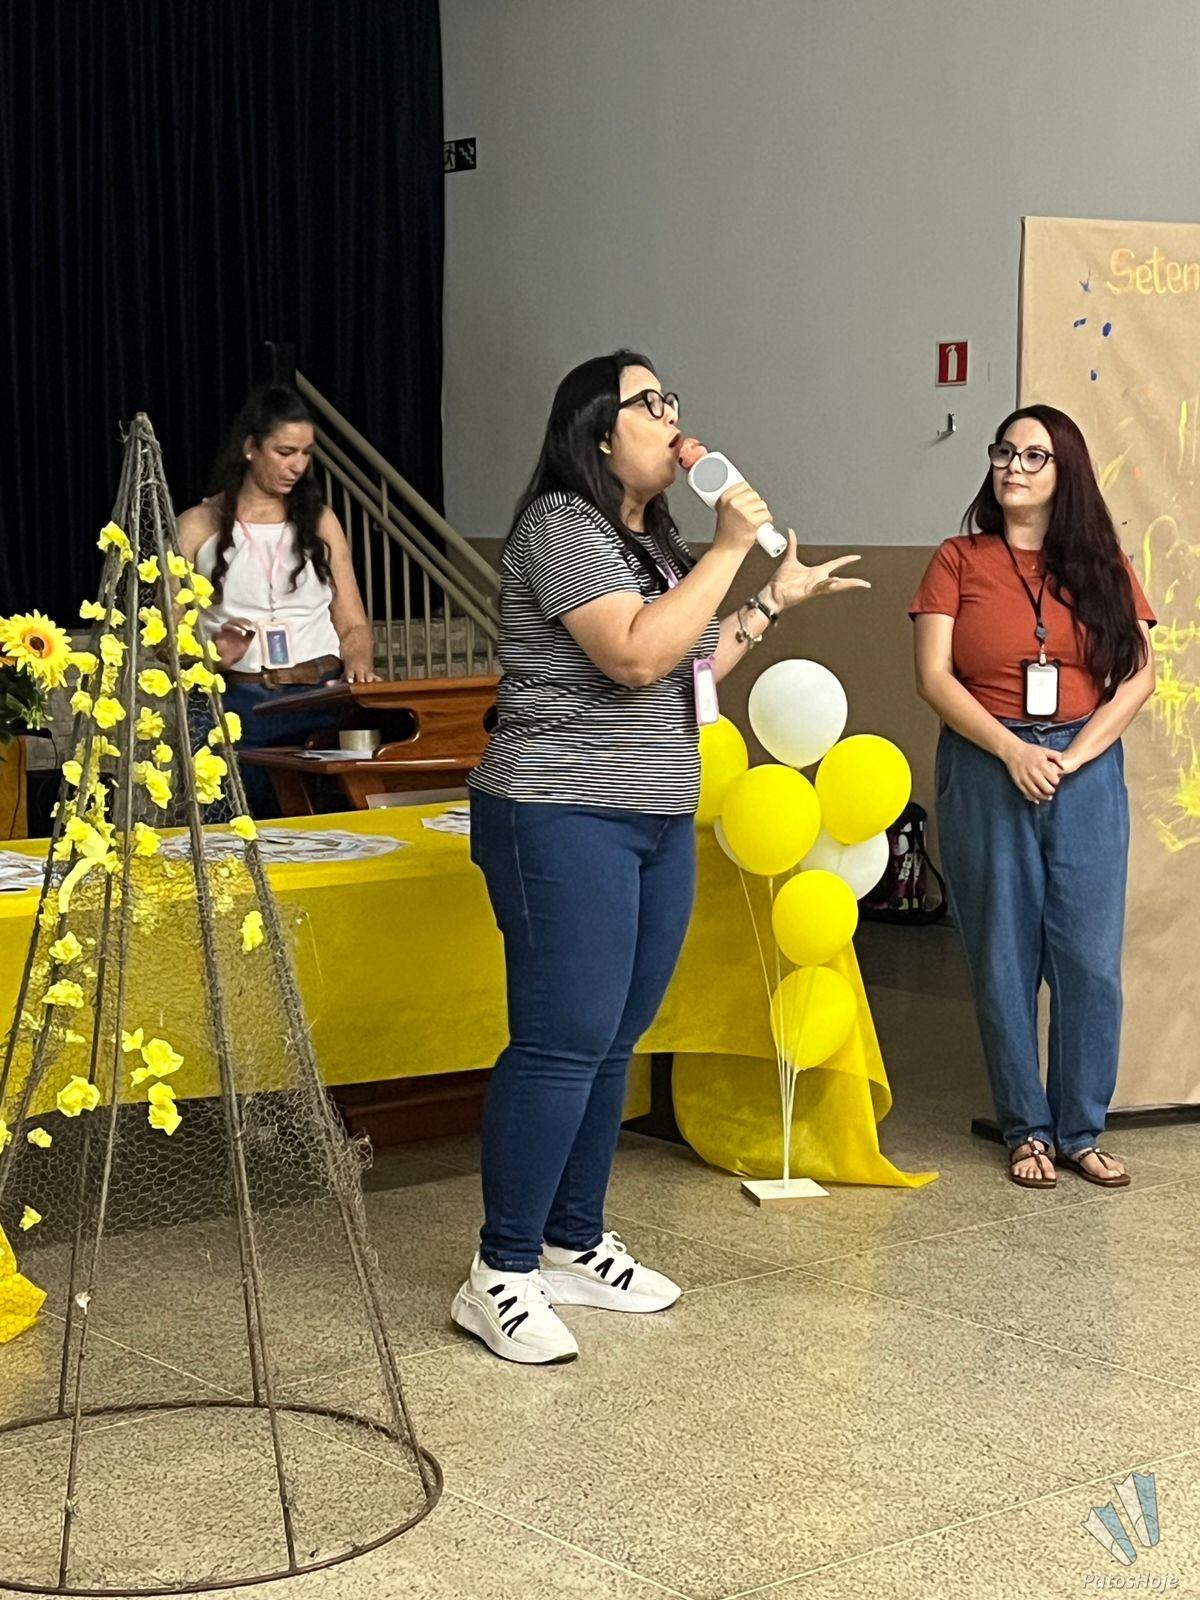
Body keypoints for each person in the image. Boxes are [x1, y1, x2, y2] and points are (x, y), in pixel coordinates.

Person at [451, 350, 868, 1364]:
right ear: (600, 431)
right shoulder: (561, 524)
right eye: (650, 402)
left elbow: (689, 663)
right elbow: (634, 655)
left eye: (673, 398)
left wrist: (771, 599)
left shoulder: (652, 543)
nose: (673, 415)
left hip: (652, 816)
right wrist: (731, 548)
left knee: (614, 1037)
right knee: (562, 1036)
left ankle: (572, 1240)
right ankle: (499, 1271)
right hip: (561, 810)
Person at [910, 405, 1156, 1192]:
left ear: (1064, 472)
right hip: (988, 760)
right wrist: (1013, 750)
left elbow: (1140, 675)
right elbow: (933, 677)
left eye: (1032, 456)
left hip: (1085, 765)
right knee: (1003, 955)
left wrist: (1075, 756)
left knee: (1090, 960)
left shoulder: (1101, 563)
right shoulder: (958, 559)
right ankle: (1027, 1130)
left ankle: (1081, 1130)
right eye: (1003, 452)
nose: (1012, 467)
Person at [177, 385, 380, 817]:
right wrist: (210, 656)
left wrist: (359, 664)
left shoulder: (321, 520)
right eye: (285, 452)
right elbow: (162, 635)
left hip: (320, 696)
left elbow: (353, 624)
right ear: (251, 448)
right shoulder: (198, 524)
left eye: (306, 454)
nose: (297, 466)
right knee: (243, 826)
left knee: (333, 828)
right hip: (239, 701)